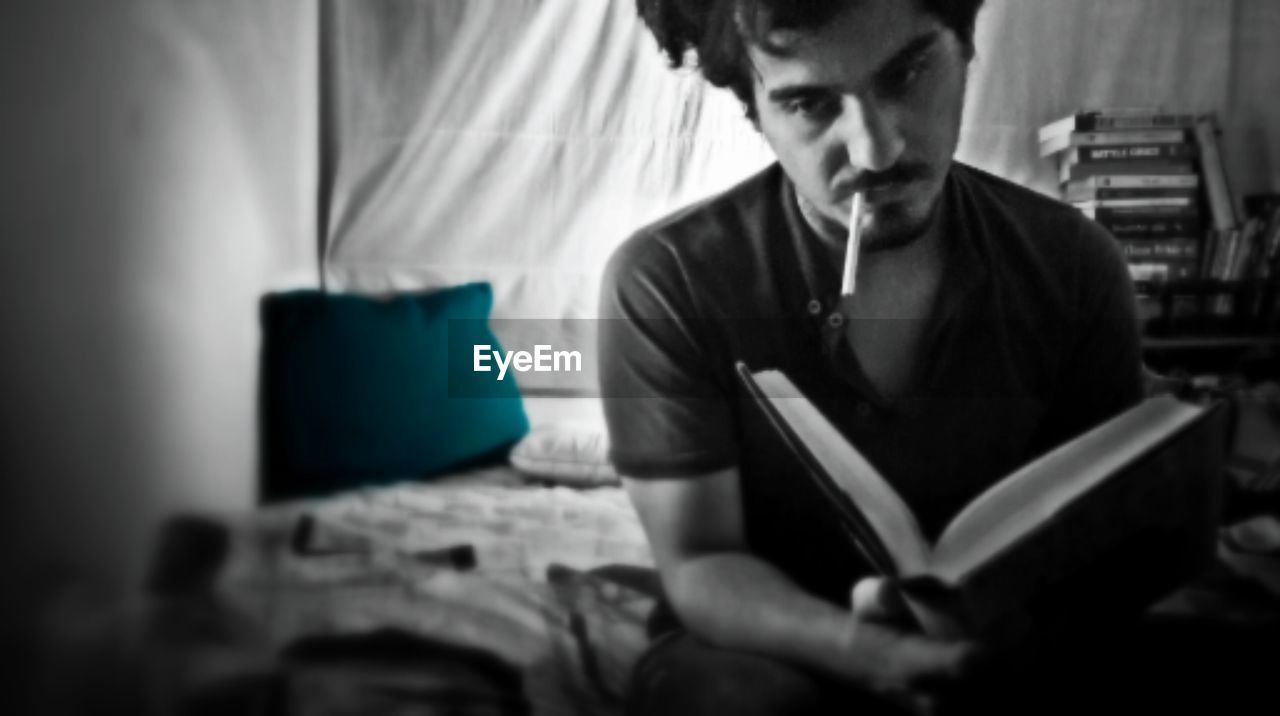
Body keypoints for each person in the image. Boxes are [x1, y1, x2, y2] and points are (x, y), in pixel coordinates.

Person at [597, 0, 1147, 714]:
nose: (875, 152)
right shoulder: (669, 280)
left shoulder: (1073, 264)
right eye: (808, 104)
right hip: (760, 650)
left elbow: (1102, 540)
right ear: (754, 110)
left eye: (909, 73)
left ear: (967, 47)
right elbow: (700, 561)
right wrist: (871, 653)